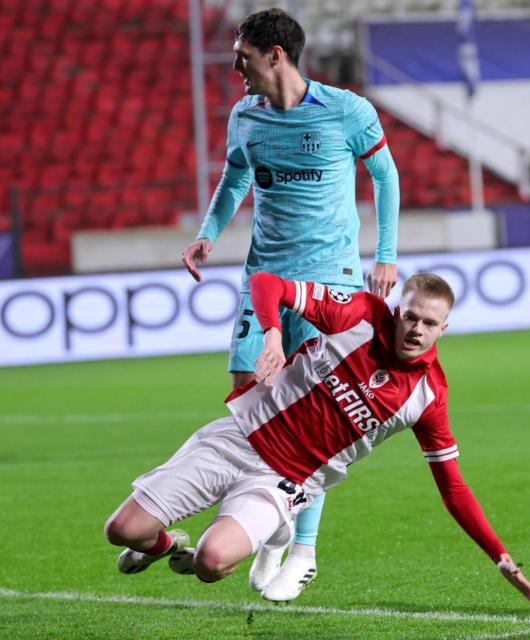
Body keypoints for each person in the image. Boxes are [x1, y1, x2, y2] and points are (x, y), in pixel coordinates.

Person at [103, 273, 530, 606]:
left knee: (211, 565)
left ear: (443, 329)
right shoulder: (359, 315)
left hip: (283, 481)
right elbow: (265, 282)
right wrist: (274, 333)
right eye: (410, 316)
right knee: (122, 530)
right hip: (238, 437)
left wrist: (500, 556)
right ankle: (166, 544)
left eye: (430, 323)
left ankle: (275, 530)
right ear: (397, 310)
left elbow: (453, 488)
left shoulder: (428, 396)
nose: (416, 329)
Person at [179, 8, 400, 601]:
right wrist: (209, 233)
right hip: (266, 279)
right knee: (248, 394)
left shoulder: (347, 111)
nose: (234, 68)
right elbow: (233, 180)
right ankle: (273, 520)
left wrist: (387, 254)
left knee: (309, 414)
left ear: (276, 55)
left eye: (242, 57)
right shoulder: (244, 117)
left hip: (331, 280)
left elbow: (386, 174)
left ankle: (302, 548)